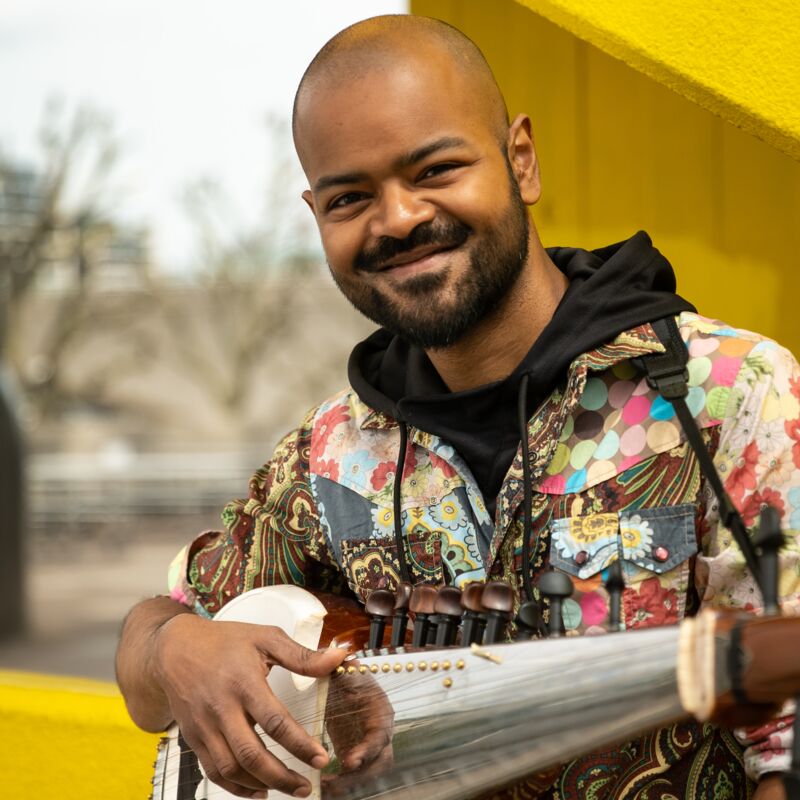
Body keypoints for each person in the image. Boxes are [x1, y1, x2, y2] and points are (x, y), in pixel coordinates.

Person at [116, 14, 799, 800]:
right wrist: (176, 652)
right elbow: (150, 642)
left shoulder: (727, 396)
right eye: (349, 198)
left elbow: (786, 734)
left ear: (521, 161)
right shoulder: (329, 456)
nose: (398, 219)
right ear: (316, 220)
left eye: (434, 169)